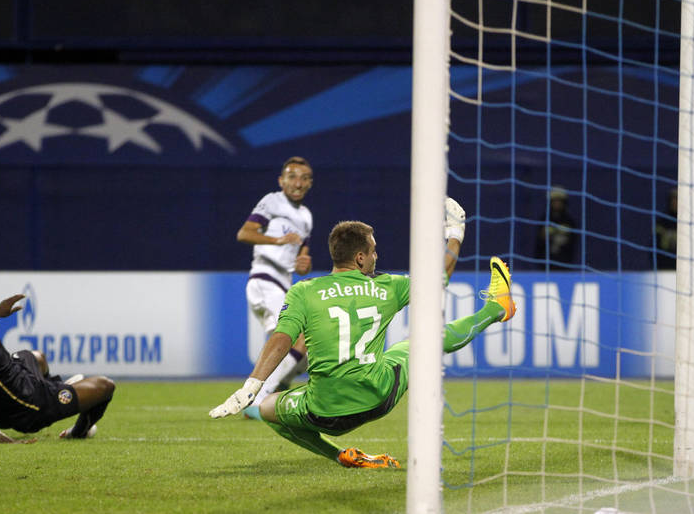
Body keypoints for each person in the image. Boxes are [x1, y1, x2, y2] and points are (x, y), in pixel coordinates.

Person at [209, 198, 517, 468]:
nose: (376, 257)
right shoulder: (386, 287)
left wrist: (253, 384)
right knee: (425, 341)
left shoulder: (304, 292)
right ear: (359, 258)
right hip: (378, 396)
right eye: (372, 251)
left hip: (323, 411)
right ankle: (496, 309)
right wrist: (454, 234)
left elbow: (282, 338)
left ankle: (340, 455)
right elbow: (440, 277)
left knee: (264, 409)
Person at [0, 285, 115, 443]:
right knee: (106, 385)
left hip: (17, 374)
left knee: (37, 357)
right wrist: (10, 443)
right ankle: (78, 432)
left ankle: (56, 386)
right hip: (30, 406)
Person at [236, 156, 314, 418]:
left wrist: (303, 265)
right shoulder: (272, 201)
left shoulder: (306, 217)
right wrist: (278, 241)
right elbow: (245, 233)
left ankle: (276, 389)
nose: (298, 182)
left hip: (283, 283)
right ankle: (256, 400)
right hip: (264, 280)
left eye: (304, 178)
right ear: (281, 181)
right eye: (292, 176)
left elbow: (300, 261)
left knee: (305, 352)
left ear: (310, 183)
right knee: (297, 338)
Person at [534, 186, 577, 270]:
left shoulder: (569, 221)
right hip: (545, 264)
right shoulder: (544, 220)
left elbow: (573, 244)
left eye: (560, 201)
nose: (557, 204)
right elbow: (538, 244)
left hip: (565, 264)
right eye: (555, 201)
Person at [654, 188, 678, 270]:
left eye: (678, 199)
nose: (675, 202)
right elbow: (654, 245)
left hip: (684, 266)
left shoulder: (689, 222)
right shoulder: (662, 222)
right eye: (673, 199)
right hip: (665, 268)